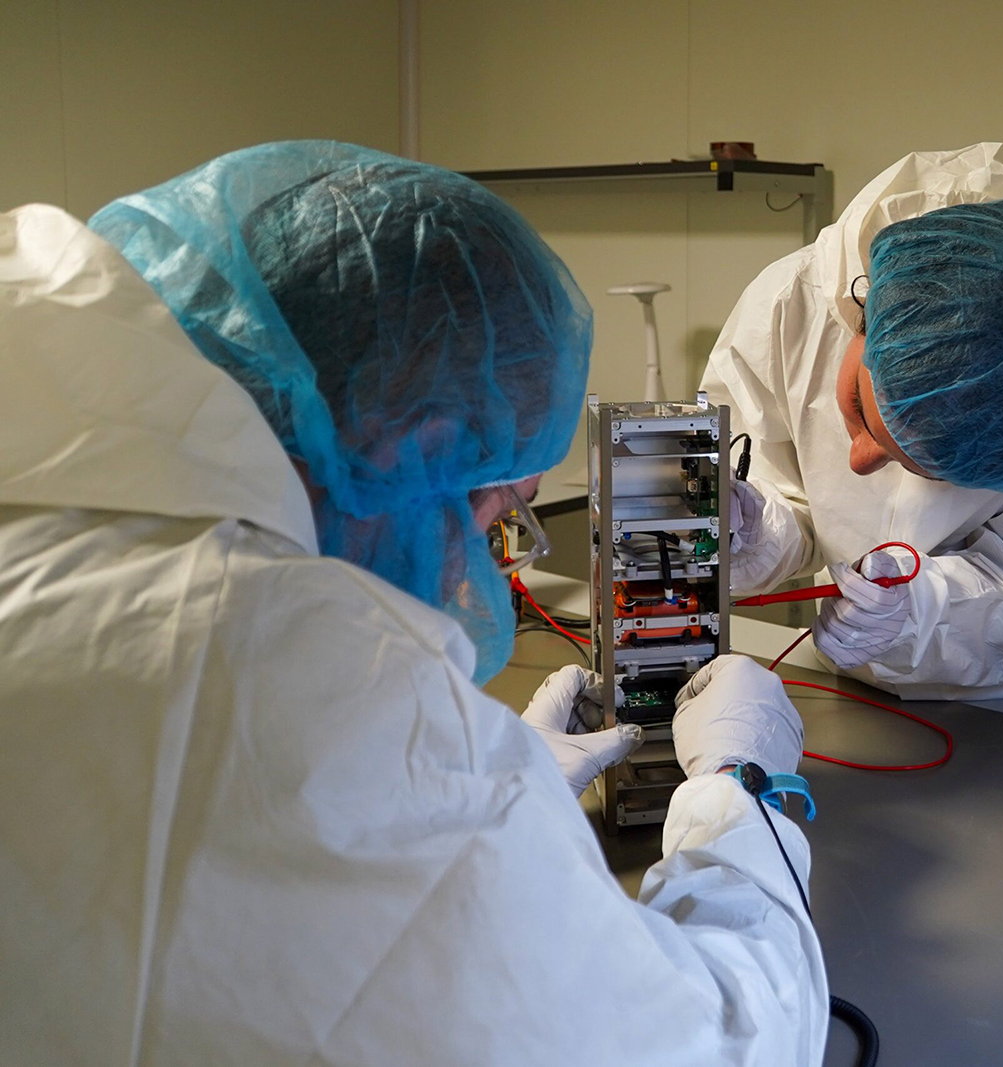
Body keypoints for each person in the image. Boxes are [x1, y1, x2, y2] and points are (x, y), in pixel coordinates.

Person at [0, 142, 826, 1065]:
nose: (475, 559)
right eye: (494, 511)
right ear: (410, 447)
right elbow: (711, 1041)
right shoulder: (300, 685)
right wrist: (740, 794)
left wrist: (476, 779)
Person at [705, 143, 1003, 700]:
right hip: (848, 690)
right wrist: (756, 529)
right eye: (859, 412)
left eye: (931, 472)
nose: (855, 463)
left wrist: (917, 613)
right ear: (862, 309)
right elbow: (791, 499)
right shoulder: (790, 307)